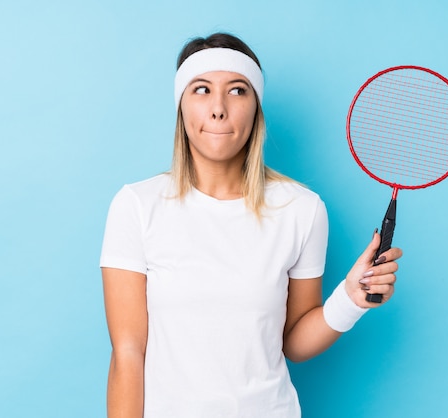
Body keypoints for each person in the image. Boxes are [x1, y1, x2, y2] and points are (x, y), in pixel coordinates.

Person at [100, 32, 402, 418]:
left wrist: (351, 298)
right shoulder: (137, 206)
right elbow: (127, 353)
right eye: (202, 89)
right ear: (181, 105)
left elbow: (293, 342)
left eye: (238, 91)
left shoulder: (302, 210)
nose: (219, 109)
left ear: (256, 109)